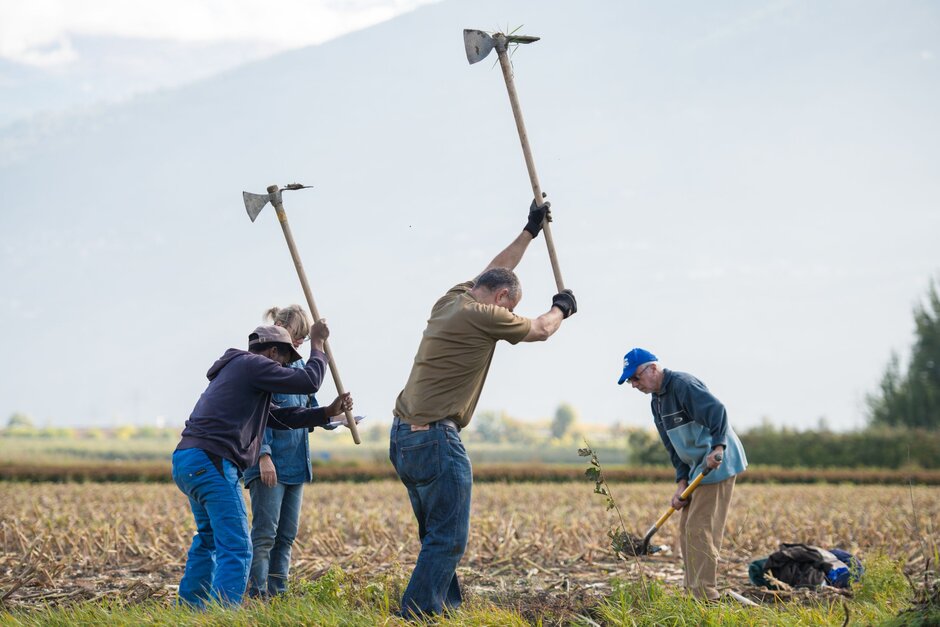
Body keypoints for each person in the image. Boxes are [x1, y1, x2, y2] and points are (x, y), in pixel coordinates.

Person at [390, 197, 577, 619]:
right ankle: (418, 613)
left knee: (436, 534)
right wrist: (561, 307)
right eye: (508, 305)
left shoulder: (453, 298)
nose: (506, 313)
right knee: (449, 537)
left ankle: (445, 607)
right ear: (503, 298)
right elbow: (542, 330)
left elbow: (496, 267)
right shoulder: (485, 315)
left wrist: (528, 231)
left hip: (402, 436)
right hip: (435, 438)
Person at [172, 323, 353, 609]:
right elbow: (309, 382)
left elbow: (280, 418)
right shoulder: (253, 365)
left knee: (209, 539)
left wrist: (326, 413)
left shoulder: (241, 374)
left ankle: (190, 608)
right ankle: (223, 615)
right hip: (213, 460)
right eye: (284, 360)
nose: (284, 369)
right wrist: (318, 345)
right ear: (272, 351)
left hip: (188, 458)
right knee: (237, 546)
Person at [618, 347, 747, 601]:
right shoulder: (657, 402)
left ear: (653, 369)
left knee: (701, 529)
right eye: (630, 380)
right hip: (697, 467)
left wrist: (718, 447)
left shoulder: (683, 385)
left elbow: (717, 411)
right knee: (687, 529)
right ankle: (692, 592)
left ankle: (705, 597)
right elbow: (673, 447)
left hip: (717, 463)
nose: (634, 384)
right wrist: (681, 482)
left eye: (636, 377)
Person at [242, 305, 331, 598]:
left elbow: (310, 410)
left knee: (286, 536)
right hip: (270, 464)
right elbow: (258, 415)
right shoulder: (265, 365)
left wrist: (338, 415)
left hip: (295, 464)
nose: (298, 345)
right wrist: (264, 455)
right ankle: (257, 596)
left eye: (304, 340)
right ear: (279, 326)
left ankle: (278, 595)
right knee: (265, 535)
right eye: (296, 337)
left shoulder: (298, 369)